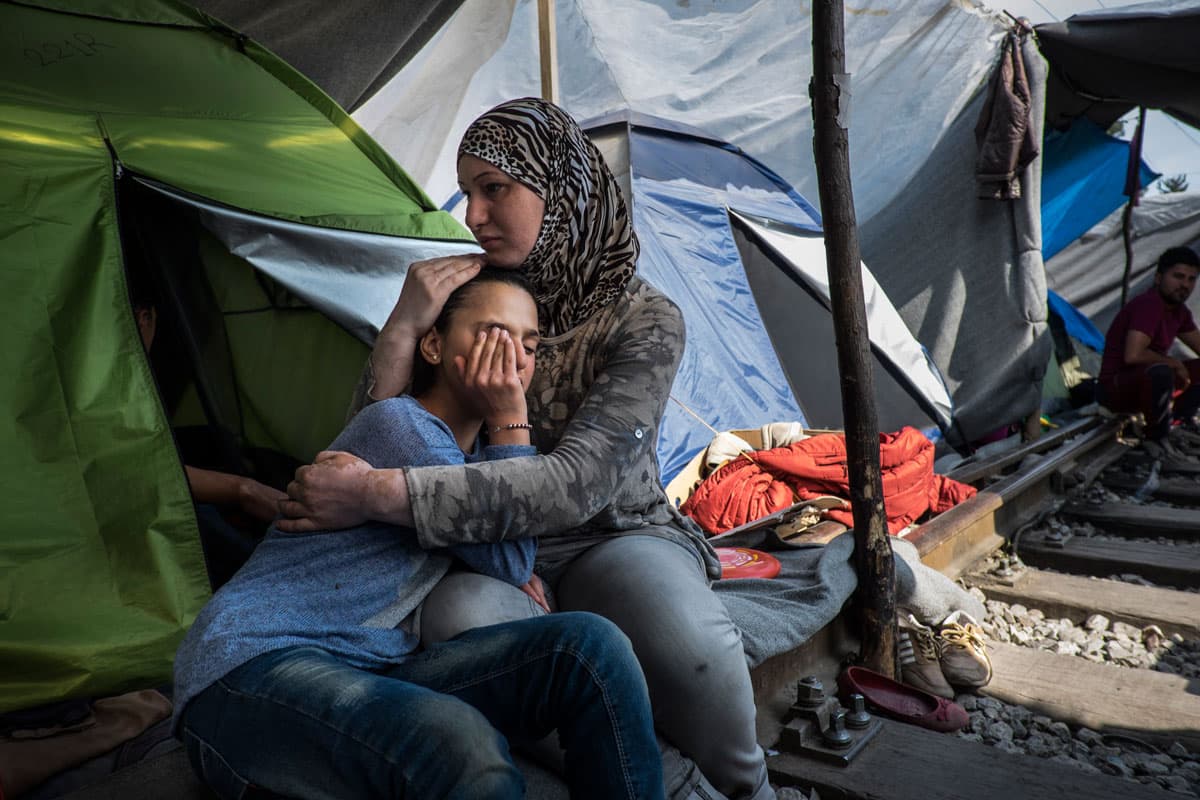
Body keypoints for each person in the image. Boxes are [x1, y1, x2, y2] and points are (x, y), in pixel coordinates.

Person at [279, 98, 777, 800]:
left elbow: (578, 484)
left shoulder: (644, 318)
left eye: (495, 189)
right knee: (457, 623)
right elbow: (372, 440)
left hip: (612, 536)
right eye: (469, 191)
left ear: (561, 186)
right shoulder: (468, 301)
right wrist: (400, 329)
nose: (473, 216)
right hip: (477, 546)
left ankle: (746, 787)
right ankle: (675, 780)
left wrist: (376, 495)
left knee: (690, 640)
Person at [173, 269, 664, 800]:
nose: (514, 357)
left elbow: (499, 539)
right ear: (432, 346)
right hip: (254, 666)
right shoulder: (400, 426)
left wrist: (489, 534)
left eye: (529, 344)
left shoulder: (468, 461)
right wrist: (510, 422)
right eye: (493, 334)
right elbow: (511, 561)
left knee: (591, 646)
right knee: (461, 746)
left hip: (374, 667)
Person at [1098, 245, 1200, 440]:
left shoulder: (1179, 312)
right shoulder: (1149, 304)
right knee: (1162, 371)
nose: (1185, 285)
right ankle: (1156, 436)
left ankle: (1180, 420)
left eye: (1191, 279)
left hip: (1145, 386)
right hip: (1116, 390)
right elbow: (1133, 355)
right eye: (1178, 277)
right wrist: (1175, 363)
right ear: (1159, 278)